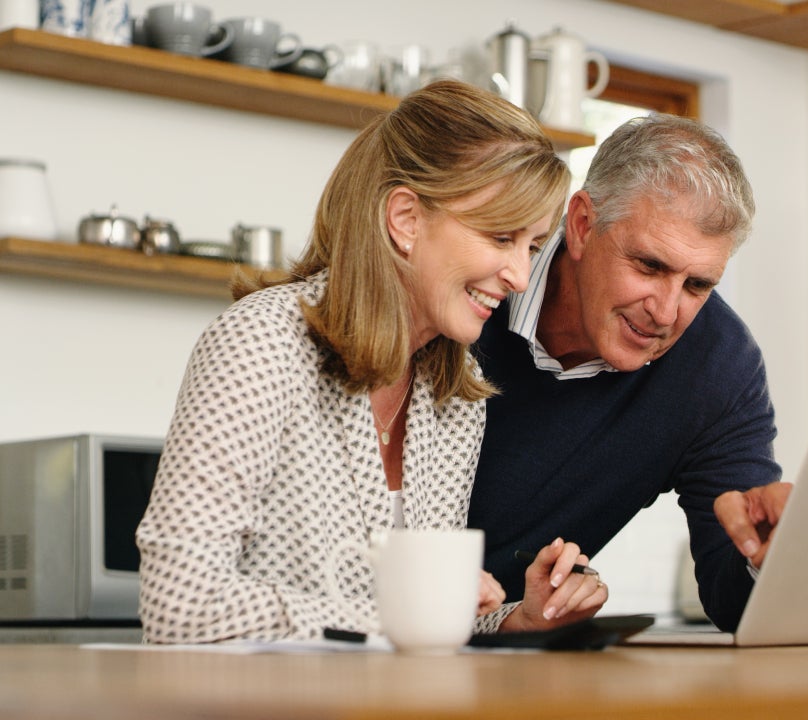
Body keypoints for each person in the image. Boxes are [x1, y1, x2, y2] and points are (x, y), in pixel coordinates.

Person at [136, 80, 606, 644]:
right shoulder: (261, 343)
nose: (521, 277)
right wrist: (392, 618)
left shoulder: (454, 394)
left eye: (531, 246)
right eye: (500, 236)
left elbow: (418, 622)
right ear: (406, 219)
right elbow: (179, 605)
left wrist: (517, 619)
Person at [468, 113, 792, 631]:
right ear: (582, 226)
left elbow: (733, 600)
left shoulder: (721, 366)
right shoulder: (474, 291)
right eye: (649, 266)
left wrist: (771, 554)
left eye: (697, 285)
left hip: (516, 643)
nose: (665, 313)